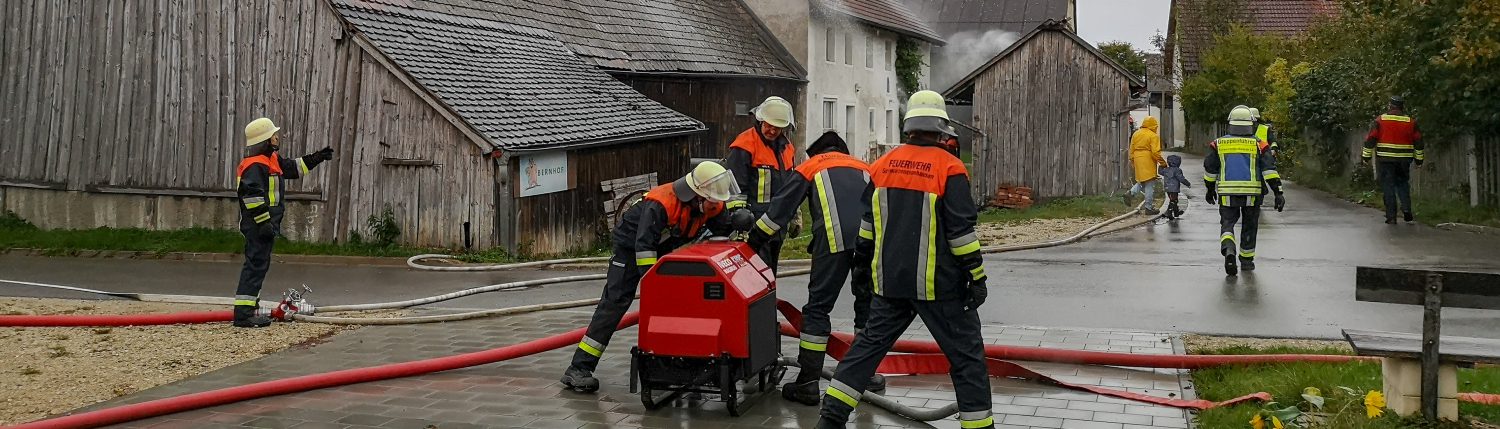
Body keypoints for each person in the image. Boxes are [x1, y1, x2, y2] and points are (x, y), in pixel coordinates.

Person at [817, 91, 993, 429]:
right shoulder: (950, 168)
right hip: (940, 287)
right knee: (967, 359)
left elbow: (866, 228)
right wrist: (977, 276)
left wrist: (862, 270)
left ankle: (830, 419)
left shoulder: (882, 166)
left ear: (908, 125)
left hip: (890, 282)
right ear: (942, 128)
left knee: (865, 351)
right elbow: (961, 235)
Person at [559, 161, 745, 393]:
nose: (717, 206)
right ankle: (579, 368)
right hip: (630, 250)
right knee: (615, 303)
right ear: (698, 196)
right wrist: (655, 285)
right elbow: (644, 248)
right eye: (713, 201)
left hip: (664, 251)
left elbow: (719, 233)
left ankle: (680, 364)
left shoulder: (710, 203)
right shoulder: (661, 204)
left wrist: (737, 222)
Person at [778, 131, 884, 406]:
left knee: (818, 308)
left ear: (819, 153)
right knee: (866, 304)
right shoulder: (864, 166)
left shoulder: (812, 165)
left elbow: (782, 207)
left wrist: (755, 238)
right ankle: (865, 376)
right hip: (869, 239)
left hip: (833, 240)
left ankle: (809, 383)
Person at [233, 118, 334, 328]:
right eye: (273, 135)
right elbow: (252, 197)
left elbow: (293, 168)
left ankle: (250, 307)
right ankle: (243, 315)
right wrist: (263, 223)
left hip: (265, 224)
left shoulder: (271, 160)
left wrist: (317, 158)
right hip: (258, 225)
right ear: (265, 139)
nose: (277, 137)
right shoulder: (255, 165)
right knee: (255, 266)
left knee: (259, 265)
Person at [1204, 106, 1284, 276]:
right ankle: (1246, 261)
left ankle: (1229, 249)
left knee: (1227, 224)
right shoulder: (1259, 144)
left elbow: (1210, 170)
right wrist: (1278, 192)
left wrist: (1210, 189)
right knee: (1249, 225)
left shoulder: (1218, 144)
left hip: (1227, 194)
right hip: (1252, 194)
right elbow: (1269, 170)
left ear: (1230, 124)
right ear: (1251, 124)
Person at [725, 96, 800, 272]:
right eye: (769, 125)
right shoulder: (745, 145)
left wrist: (795, 213)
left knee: (770, 273)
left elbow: (790, 185)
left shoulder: (787, 148)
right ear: (760, 121)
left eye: (777, 128)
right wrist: (740, 222)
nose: (772, 131)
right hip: (754, 224)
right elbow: (735, 188)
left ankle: (769, 299)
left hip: (778, 222)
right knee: (757, 273)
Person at [1361, 96, 1424, 224]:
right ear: (1402, 107)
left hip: (1386, 159)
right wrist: (1419, 161)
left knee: (1388, 186)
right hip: (1404, 160)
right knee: (1403, 184)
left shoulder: (1381, 120)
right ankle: (1406, 210)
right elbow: (1418, 142)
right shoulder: (1411, 122)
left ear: (1390, 106)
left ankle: (1391, 216)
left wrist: (1365, 157)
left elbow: (1371, 139)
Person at [1126, 116, 1167, 215]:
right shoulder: (1153, 136)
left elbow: (1131, 149)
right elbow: (1155, 152)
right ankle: (1148, 208)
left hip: (1137, 158)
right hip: (1147, 159)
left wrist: (1132, 161)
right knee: (1149, 184)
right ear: (1153, 125)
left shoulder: (1136, 134)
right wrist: (1163, 163)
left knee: (1142, 181)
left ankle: (1130, 193)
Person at [1160, 154, 1191, 219]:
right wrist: (1187, 183)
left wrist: (1161, 166)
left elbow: (1160, 172)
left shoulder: (1166, 170)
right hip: (1174, 188)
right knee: (1173, 200)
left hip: (1167, 188)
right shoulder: (1177, 170)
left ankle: (1176, 212)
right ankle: (1169, 212)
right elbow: (1181, 178)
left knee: (1173, 200)